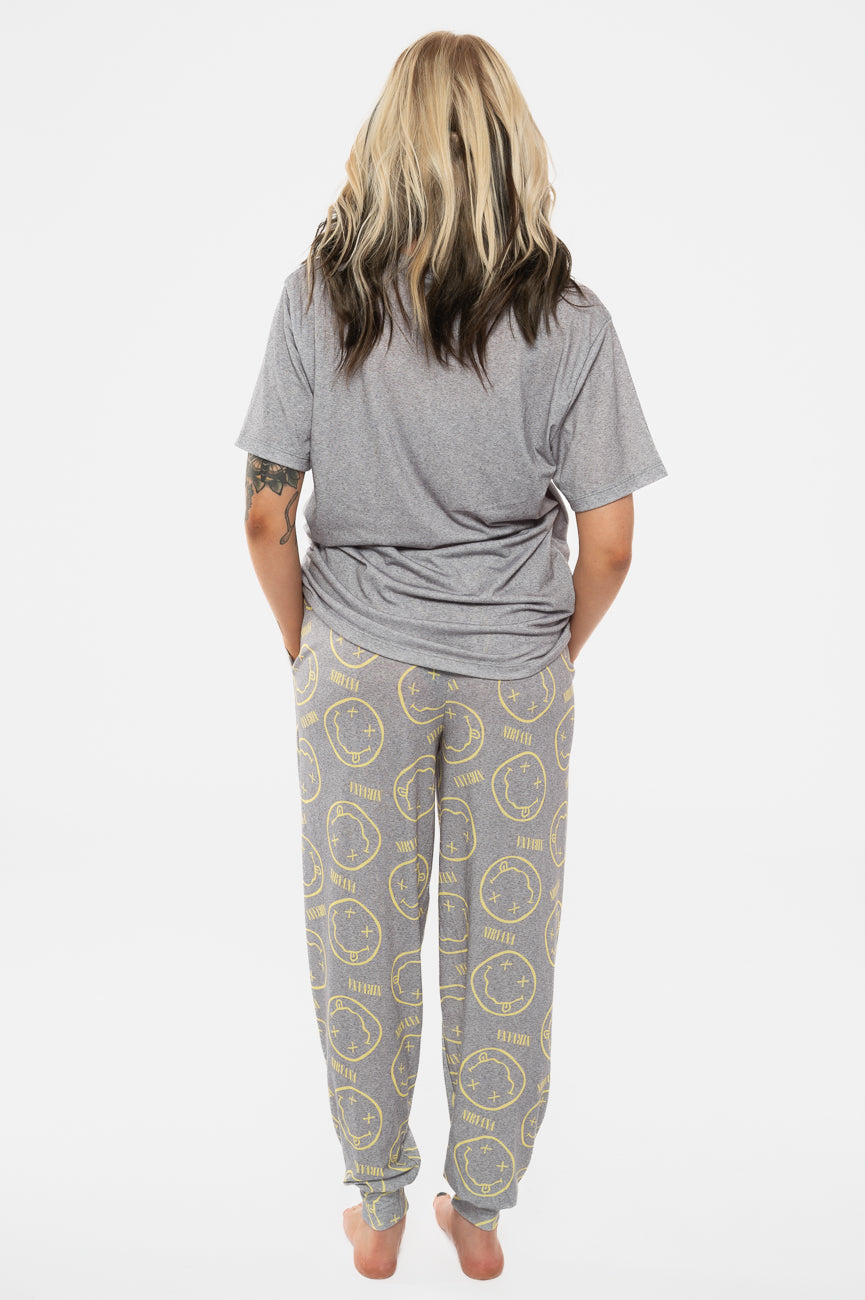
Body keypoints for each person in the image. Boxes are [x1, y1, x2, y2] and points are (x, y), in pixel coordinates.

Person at [234, 30, 668, 1282]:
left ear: (388, 142)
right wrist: (549, 647)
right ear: (511, 147)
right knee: (506, 934)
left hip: (354, 659)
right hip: (513, 668)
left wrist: (306, 643)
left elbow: (265, 514)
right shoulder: (571, 322)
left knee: (359, 930)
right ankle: (477, 1209)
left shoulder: (317, 299)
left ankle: (376, 1204)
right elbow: (613, 545)